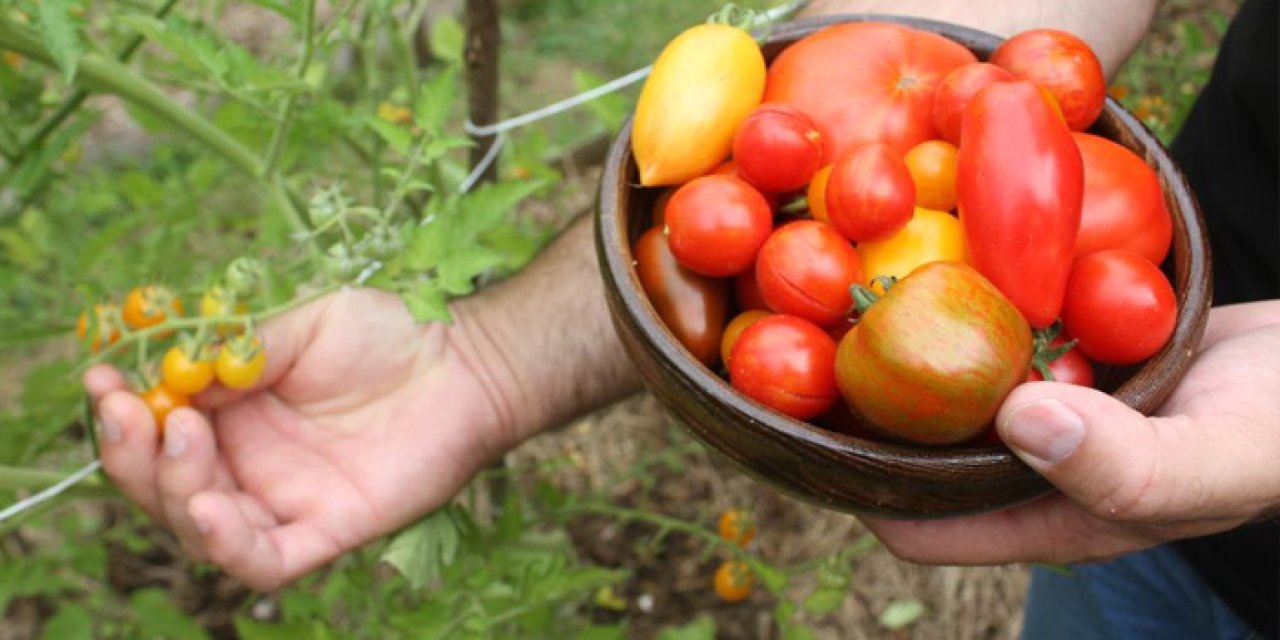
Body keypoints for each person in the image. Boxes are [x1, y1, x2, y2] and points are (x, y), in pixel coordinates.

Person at [85, 0, 1278, 636]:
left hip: (1141, 360)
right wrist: (486, 364)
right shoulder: (921, 201)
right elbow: (976, 55)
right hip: (1151, 462)